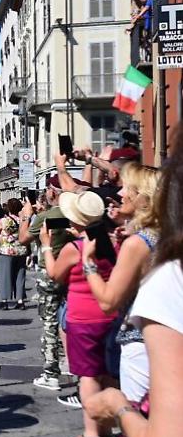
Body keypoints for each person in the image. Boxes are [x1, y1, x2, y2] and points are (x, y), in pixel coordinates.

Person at [84, 137, 183, 437]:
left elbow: (108, 301)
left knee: (144, 407)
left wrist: (117, 407)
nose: (116, 192)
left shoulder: (161, 263)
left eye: (125, 186)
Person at [38, 190, 116, 437]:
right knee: (107, 374)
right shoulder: (114, 241)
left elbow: (54, 275)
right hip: (111, 314)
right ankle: (106, 429)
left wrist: (47, 245)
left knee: (88, 377)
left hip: (83, 318)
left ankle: (92, 434)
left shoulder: (75, 249)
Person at [82, 163, 160, 404]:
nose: (121, 194)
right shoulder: (164, 234)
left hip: (138, 338)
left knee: (138, 415)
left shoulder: (138, 242)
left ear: (143, 197)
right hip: (164, 337)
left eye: (128, 188)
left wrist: (88, 263)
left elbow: (108, 301)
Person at [20, 176, 75, 391]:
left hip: (49, 270)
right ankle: (67, 361)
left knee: (50, 320)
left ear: (52, 192)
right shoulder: (73, 214)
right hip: (71, 269)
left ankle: (51, 372)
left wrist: (26, 216)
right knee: (67, 317)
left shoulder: (48, 216)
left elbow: (23, 238)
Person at [0, 198, 29, 310]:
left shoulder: (3, 221)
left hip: (6, 251)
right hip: (21, 250)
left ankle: (4, 301)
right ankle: (20, 301)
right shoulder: (23, 220)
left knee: (5, 275)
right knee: (20, 276)